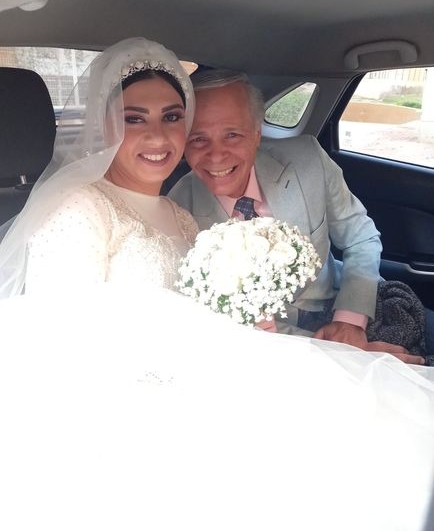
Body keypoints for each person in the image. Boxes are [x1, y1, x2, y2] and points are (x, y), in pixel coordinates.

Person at [169, 69, 426, 365]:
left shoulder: (308, 160)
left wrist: (350, 321)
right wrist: (344, 355)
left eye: (232, 135)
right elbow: (216, 320)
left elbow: (361, 237)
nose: (216, 155)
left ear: (256, 134)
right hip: (273, 347)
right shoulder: (178, 210)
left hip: (349, 301)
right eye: (198, 139)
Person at [0, 37, 198, 302]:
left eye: (171, 117)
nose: (158, 137)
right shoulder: (78, 208)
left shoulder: (182, 217)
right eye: (134, 119)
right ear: (103, 127)